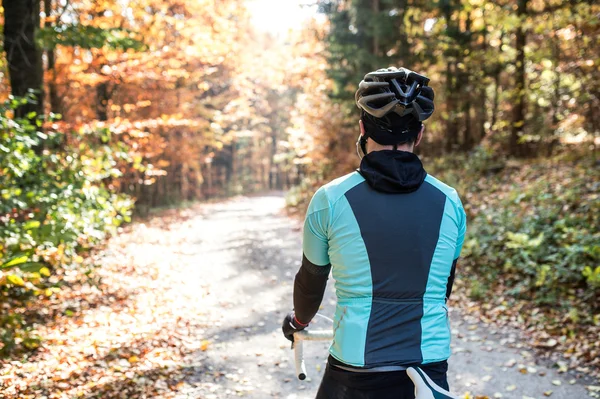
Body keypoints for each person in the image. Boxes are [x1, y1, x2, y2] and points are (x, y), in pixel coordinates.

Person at [282, 67, 467, 398]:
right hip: (428, 368)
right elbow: (445, 284)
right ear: (420, 133)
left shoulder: (330, 199)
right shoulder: (449, 201)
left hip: (356, 369)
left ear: (363, 128)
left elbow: (311, 282)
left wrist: (298, 322)